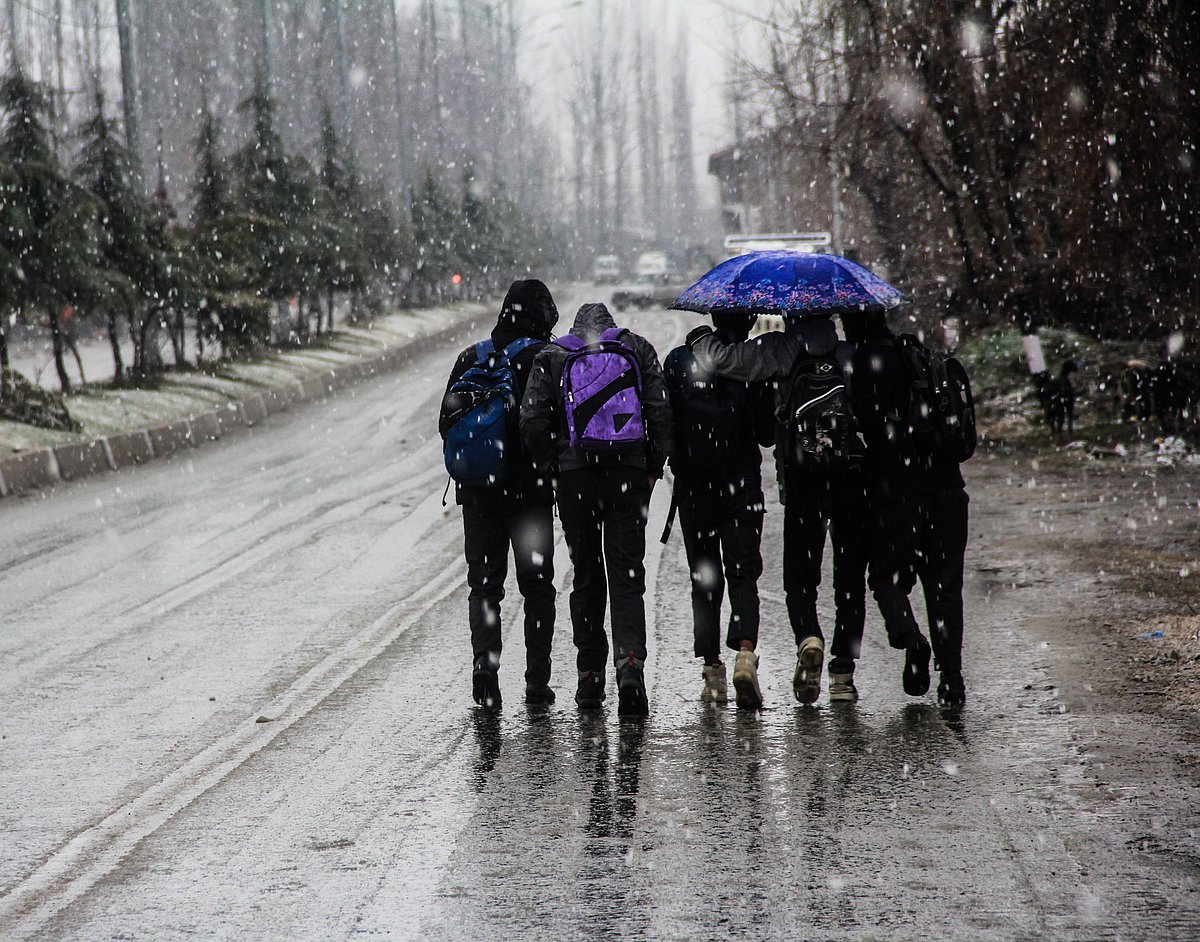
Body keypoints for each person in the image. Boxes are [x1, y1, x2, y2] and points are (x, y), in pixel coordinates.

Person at [687, 315, 870, 704]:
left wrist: (701, 342)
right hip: (851, 482)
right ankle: (842, 675)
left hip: (803, 481)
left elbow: (726, 361)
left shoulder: (780, 350)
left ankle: (808, 638)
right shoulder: (850, 355)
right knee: (850, 581)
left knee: (800, 582)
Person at [520, 302, 673, 717]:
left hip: (576, 479)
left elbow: (532, 420)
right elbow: (660, 411)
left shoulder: (553, 356)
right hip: (627, 472)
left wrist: (553, 469)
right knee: (626, 573)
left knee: (586, 574)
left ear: (574, 327)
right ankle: (630, 667)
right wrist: (652, 468)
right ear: (611, 326)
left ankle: (589, 674)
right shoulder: (636, 348)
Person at [438, 279, 560, 709]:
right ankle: (537, 682)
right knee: (538, 588)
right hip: (531, 495)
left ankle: (485, 669)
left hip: (478, 494)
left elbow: (446, 424)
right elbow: (556, 427)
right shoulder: (544, 358)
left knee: (485, 586)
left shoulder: (472, 357)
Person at [664, 312, 774, 709]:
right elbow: (766, 433)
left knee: (705, 577)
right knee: (744, 571)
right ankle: (745, 654)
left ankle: (713, 672)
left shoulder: (678, 360)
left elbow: (665, 422)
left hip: (695, 487)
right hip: (741, 483)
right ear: (746, 323)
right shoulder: (751, 362)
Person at [841, 308, 935, 697]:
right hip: (925, 478)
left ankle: (910, 636)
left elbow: (865, 421)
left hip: (885, 482)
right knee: (920, 573)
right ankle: (948, 668)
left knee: (883, 575)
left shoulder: (862, 362)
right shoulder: (909, 351)